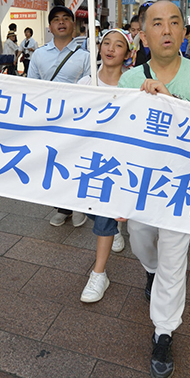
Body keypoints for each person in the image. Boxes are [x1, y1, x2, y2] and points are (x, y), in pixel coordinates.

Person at [118, 0, 190, 378]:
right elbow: (121, 138)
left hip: (183, 184)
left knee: (175, 259)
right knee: (141, 240)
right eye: (157, 23)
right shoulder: (129, 80)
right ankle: (150, 271)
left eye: (175, 22)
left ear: (183, 31)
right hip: (142, 183)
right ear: (143, 34)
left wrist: (169, 102)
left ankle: (163, 331)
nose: (167, 29)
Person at [76, 28, 137, 303]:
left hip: (117, 163)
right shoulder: (85, 83)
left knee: (103, 214)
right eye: (106, 43)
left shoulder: (133, 86)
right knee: (91, 209)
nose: (110, 49)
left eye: (119, 45)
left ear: (128, 53)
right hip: (87, 160)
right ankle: (114, 228)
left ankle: (99, 273)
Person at [29, 5, 91, 228]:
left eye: (66, 18)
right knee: (52, 161)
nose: (61, 22)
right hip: (47, 118)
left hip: (75, 118)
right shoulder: (38, 54)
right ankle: (61, 207)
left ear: (73, 25)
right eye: (56, 19)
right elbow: (32, 88)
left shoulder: (85, 56)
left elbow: (89, 90)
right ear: (50, 26)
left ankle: (77, 205)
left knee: (75, 161)